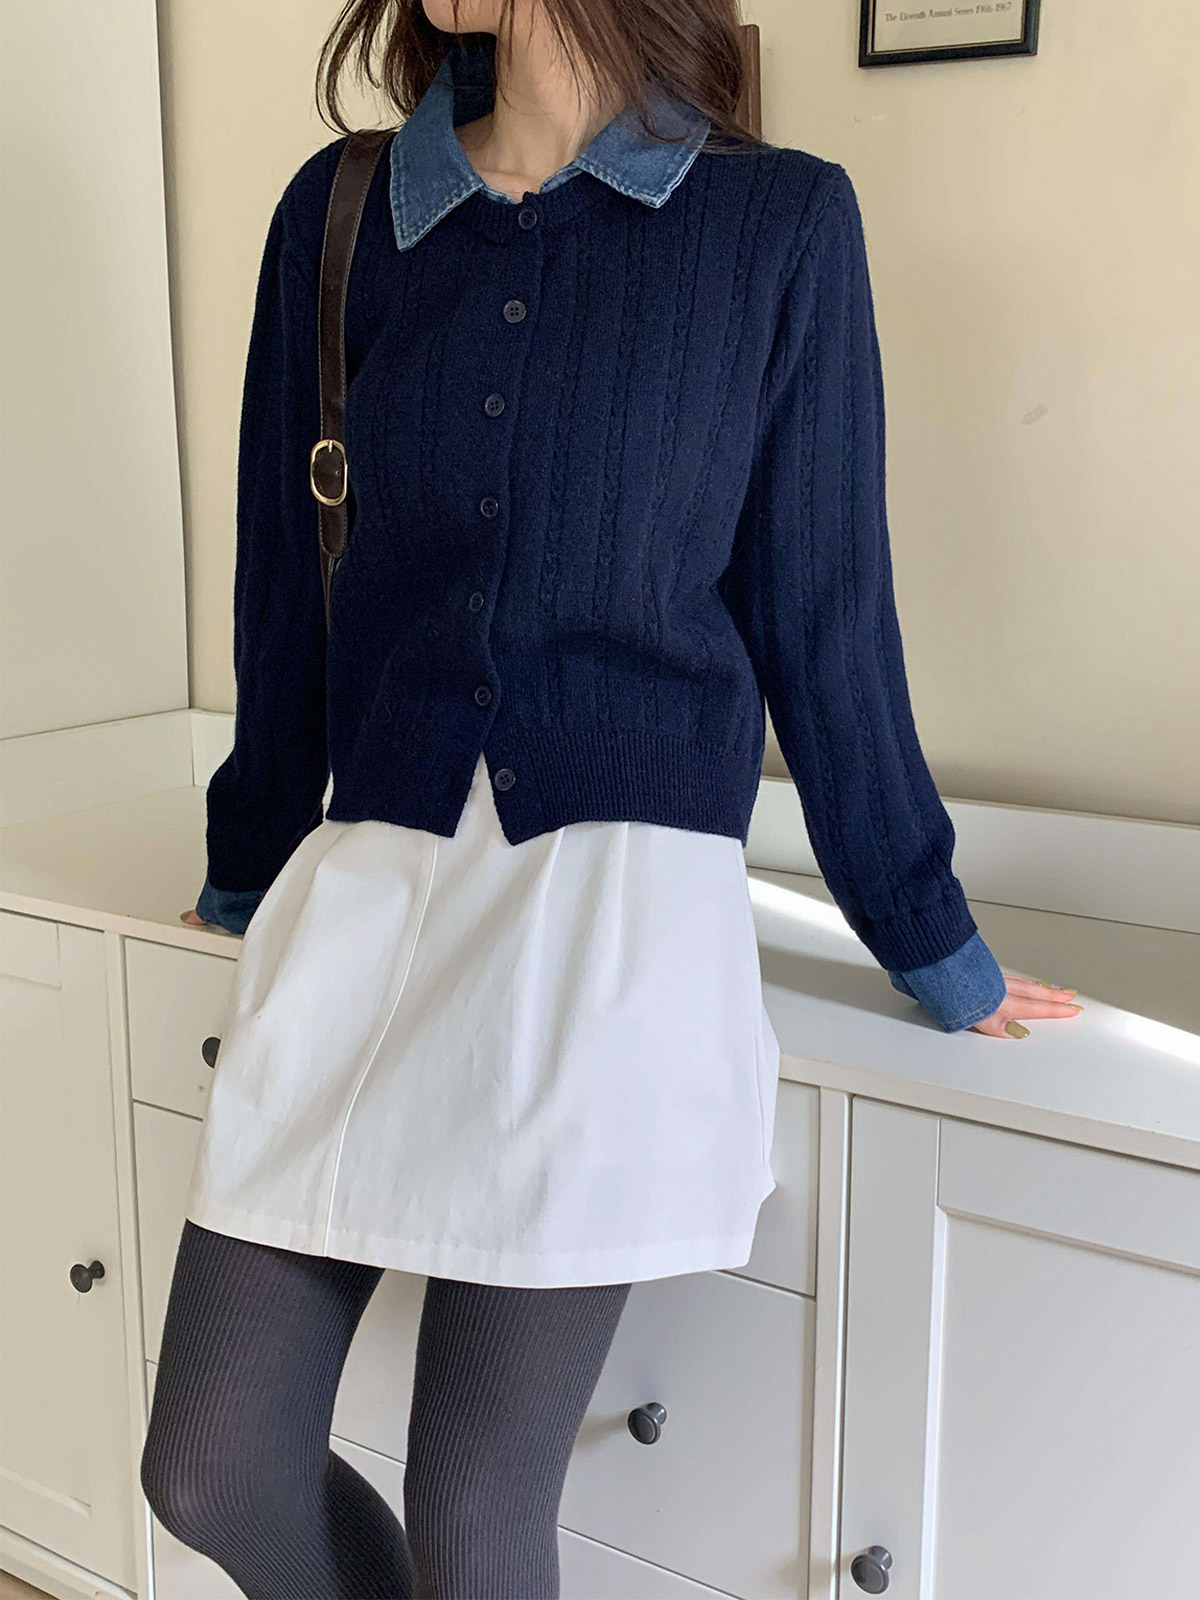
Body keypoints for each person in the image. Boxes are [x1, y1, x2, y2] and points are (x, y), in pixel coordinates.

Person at [139, 3, 1083, 1596]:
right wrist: (246, 866)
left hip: (609, 928)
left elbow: (825, 615)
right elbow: (286, 587)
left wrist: (931, 939)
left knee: (474, 1520)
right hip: (369, 897)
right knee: (210, 1464)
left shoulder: (776, 224)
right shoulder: (344, 213)